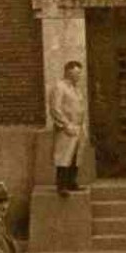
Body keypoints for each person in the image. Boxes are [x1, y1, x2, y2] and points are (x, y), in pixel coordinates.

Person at [48, 61, 86, 195]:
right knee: (63, 157)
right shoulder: (59, 87)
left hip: (78, 127)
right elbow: (55, 108)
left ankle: (72, 182)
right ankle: (62, 185)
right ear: (68, 72)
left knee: (75, 157)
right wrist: (65, 125)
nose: (79, 76)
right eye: (76, 73)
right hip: (66, 128)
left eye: (79, 73)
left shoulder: (76, 88)